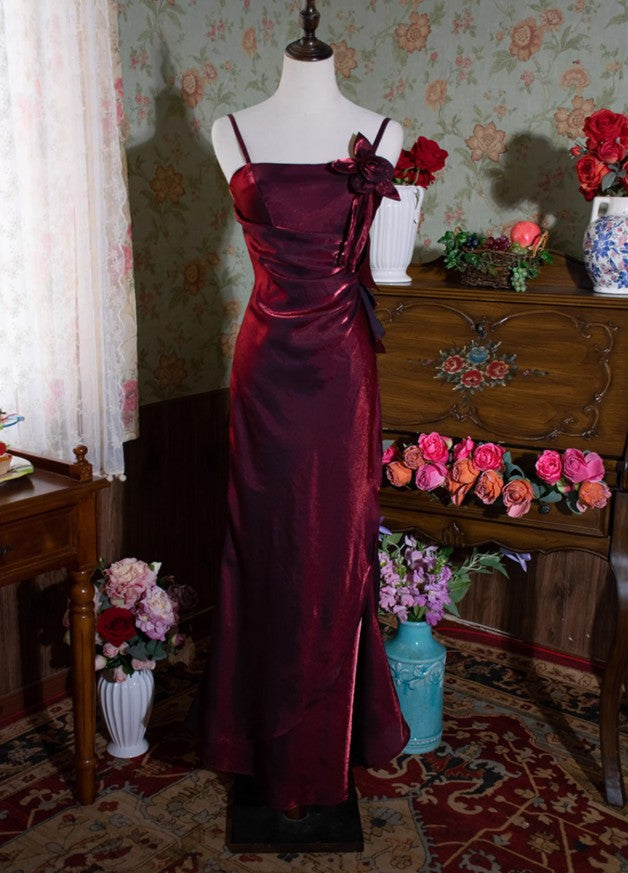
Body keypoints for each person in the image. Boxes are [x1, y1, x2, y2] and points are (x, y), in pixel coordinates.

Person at [199, 49, 410, 817]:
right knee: (262, 542)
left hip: (342, 374)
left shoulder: (382, 133)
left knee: (336, 546)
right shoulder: (229, 130)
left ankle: (322, 747)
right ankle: (255, 739)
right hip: (265, 370)